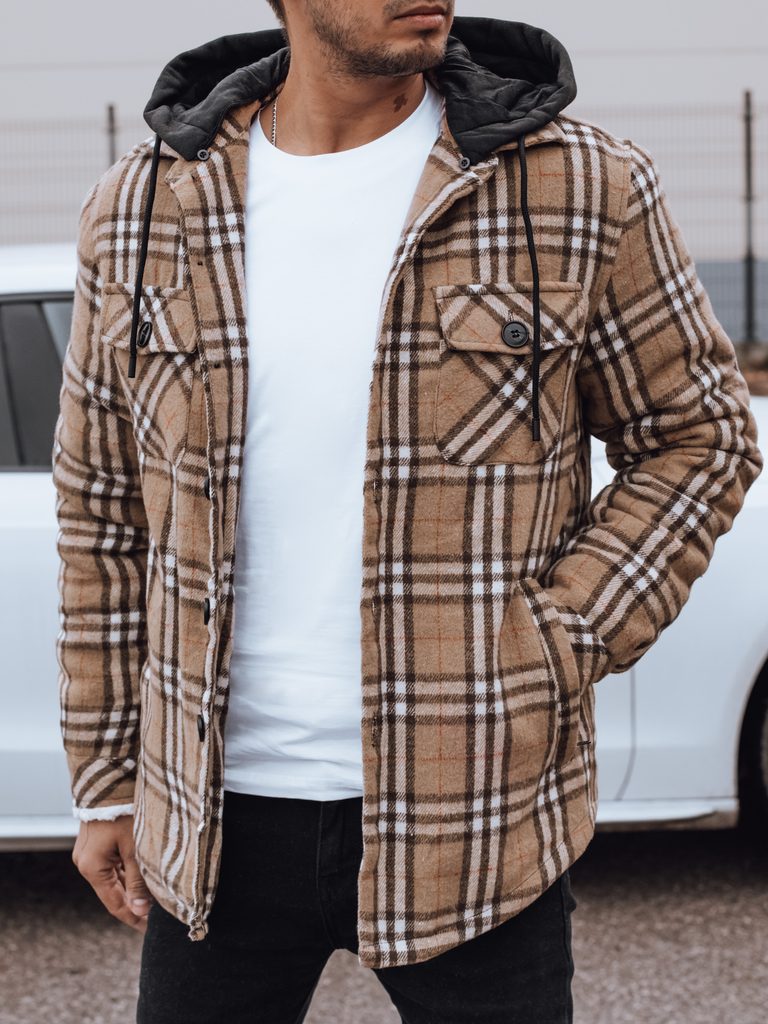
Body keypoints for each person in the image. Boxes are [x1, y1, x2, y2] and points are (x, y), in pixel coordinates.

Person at [52, 3, 763, 1022]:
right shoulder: (141, 205)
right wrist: (106, 781)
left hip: (474, 816)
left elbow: (700, 439)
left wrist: (557, 636)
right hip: (210, 819)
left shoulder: (579, 184)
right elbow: (102, 507)